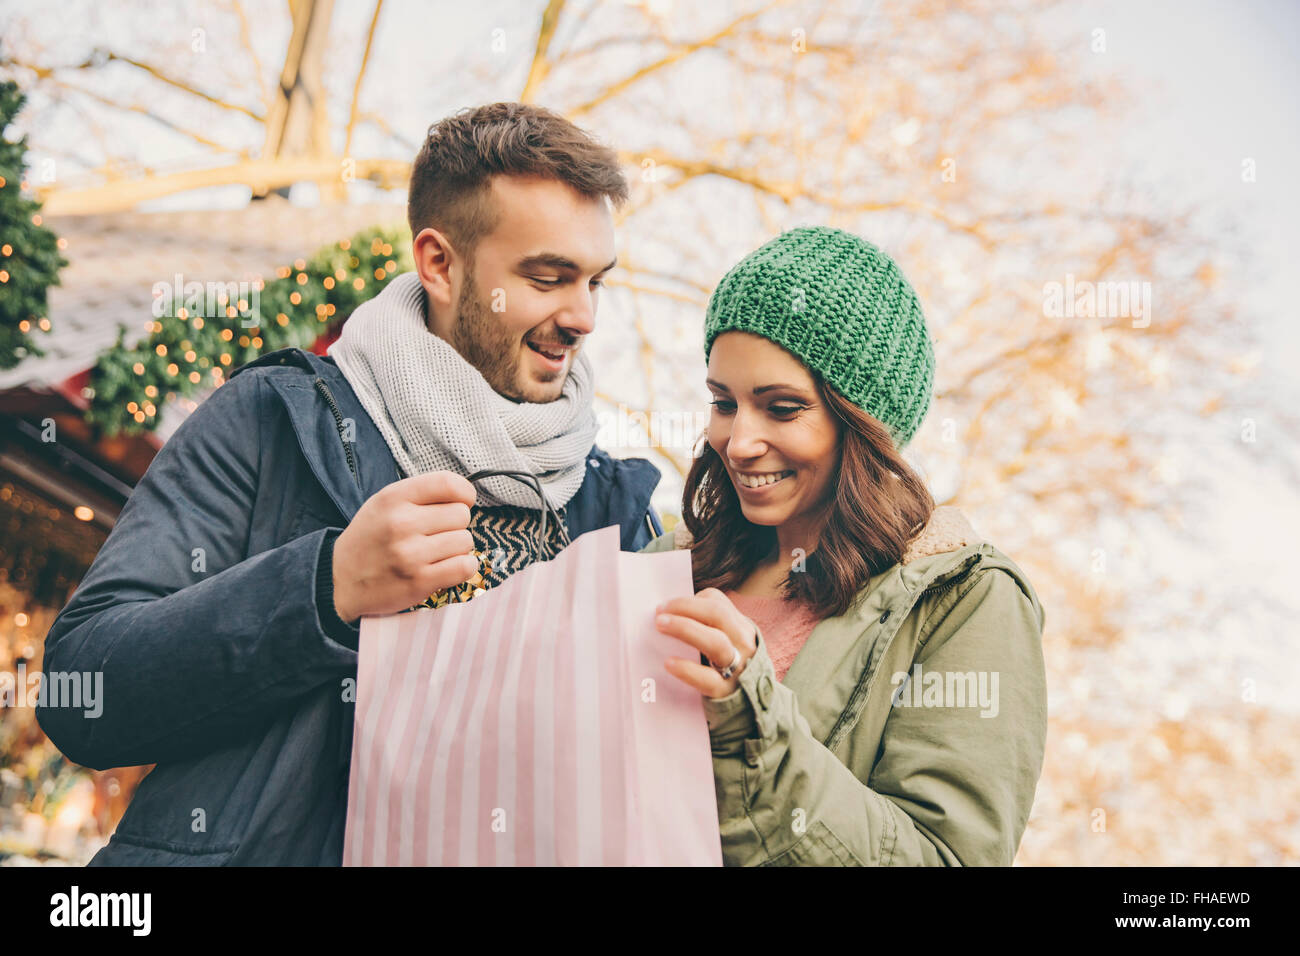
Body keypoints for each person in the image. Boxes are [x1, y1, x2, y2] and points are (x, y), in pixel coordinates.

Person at [36, 102, 662, 865]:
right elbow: (82, 691)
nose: (584, 316)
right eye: (547, 277)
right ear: (439, 264)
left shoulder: (612, 511)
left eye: (596, 281)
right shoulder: (274, 419)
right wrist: (322, 588)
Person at [642, 226, 1047, 866]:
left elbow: (945, 857)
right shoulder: (660, 566)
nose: (739, 441)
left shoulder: (962, 601)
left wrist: (757, 733)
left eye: (781, 408)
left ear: (864, 424)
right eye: (724, 402)